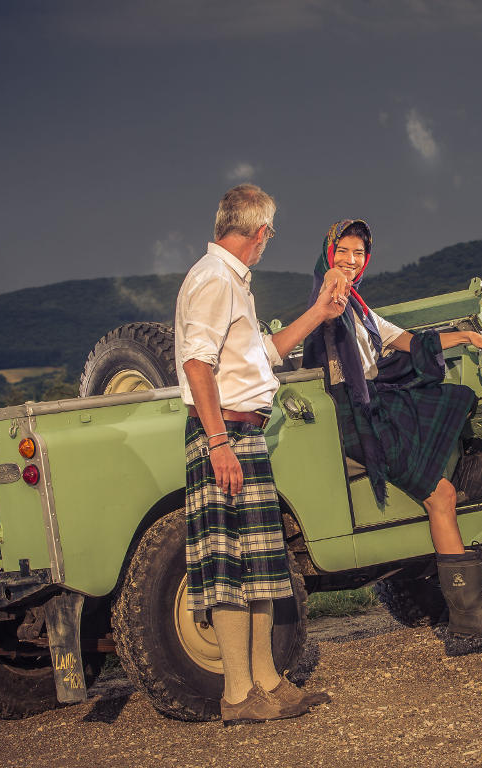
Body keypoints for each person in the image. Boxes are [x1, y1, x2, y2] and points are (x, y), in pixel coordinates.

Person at [302, 219, 482, 641]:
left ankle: (468, 608)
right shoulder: (329, 301)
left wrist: (465, 336)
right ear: (328, 254)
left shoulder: (359, 308)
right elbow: (329, 283)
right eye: (342, 252)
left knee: (451, 409)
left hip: (370, 409)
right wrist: (333, 275)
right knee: (439, 491)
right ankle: (470, 614)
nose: (350, 262)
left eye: (358, 254)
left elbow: (403, 339)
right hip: (357, 419)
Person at [175, 184, 345, 725]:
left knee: (261, 561)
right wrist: (219, 442)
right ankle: (237, 695)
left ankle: (267, 682)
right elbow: (197, 366)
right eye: (271, 232)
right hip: (222, 433)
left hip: (242, 432)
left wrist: (319, 311)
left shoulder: (232, 283)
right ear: (260, 232)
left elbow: (263, 356)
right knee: (229, 564)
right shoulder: (212, 280)